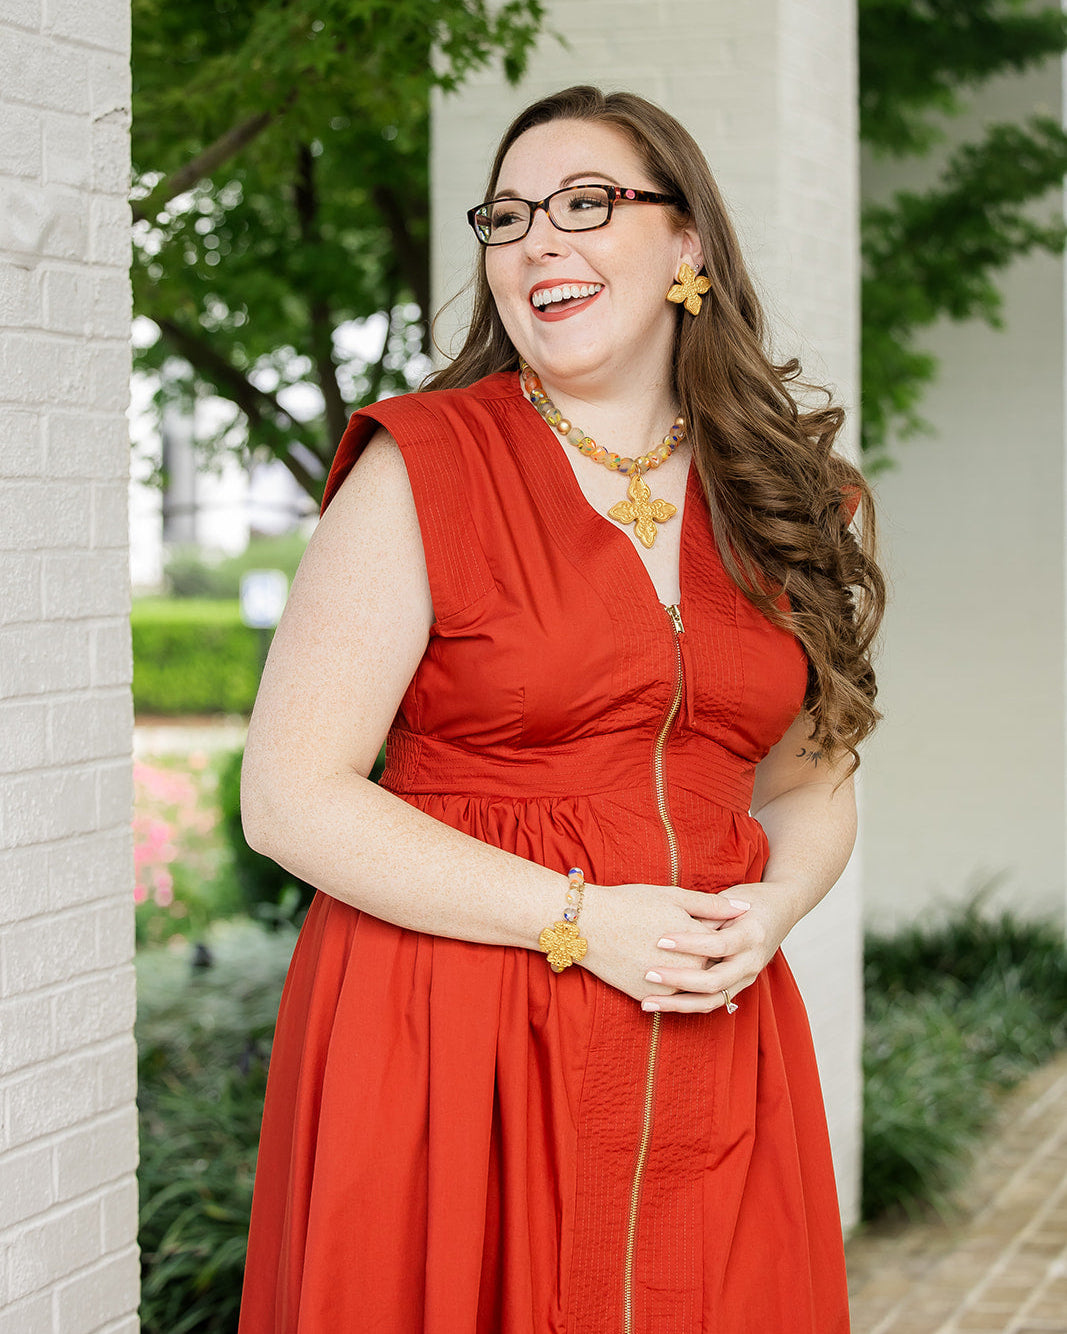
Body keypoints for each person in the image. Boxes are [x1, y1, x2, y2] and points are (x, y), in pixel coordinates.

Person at [237, 85, 885, 1334]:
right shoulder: (421, 464)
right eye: (508, 216)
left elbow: (808, 782)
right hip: (444, 1034)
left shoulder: (792, 498)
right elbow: (290, 796)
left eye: (586, 203)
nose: (536, 240)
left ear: (686, 242)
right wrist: (583, 920)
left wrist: (771, 908)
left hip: (707, 1027)